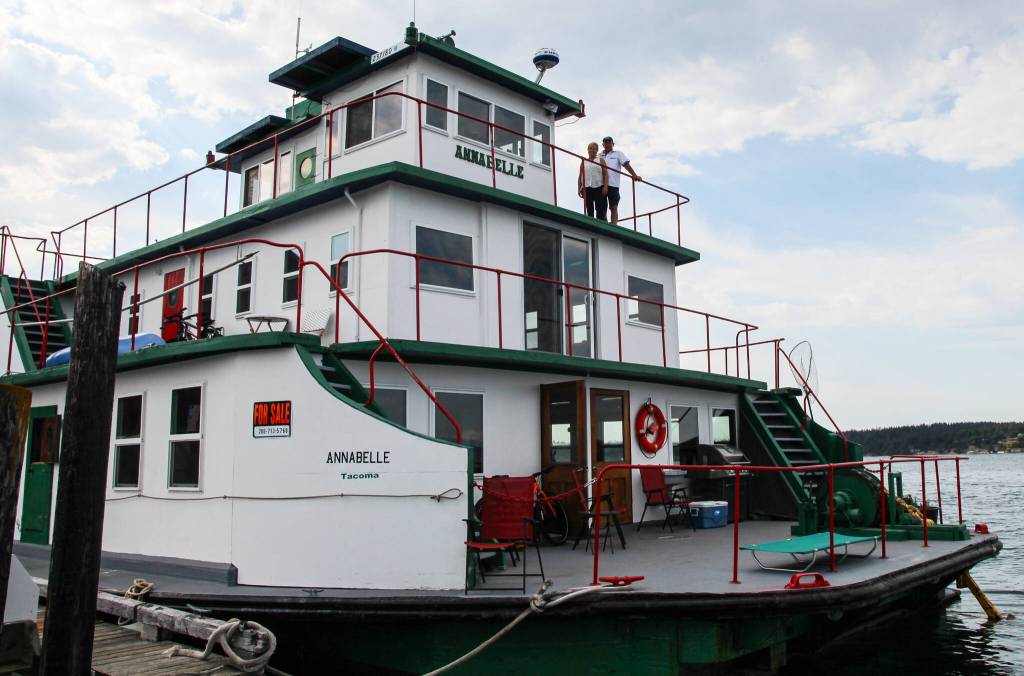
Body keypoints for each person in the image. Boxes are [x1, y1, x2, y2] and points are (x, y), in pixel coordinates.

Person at [599, 136, 641, 224]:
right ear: (603, 144)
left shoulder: (618, 154)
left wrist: (634, 175)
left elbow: (626, 164)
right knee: (602, 207)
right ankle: (604, 224)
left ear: (612, 144)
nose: (607, 144)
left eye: (609, 142)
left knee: (613, 207)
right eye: (605, 143)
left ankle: (613, 225)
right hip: (601, 184)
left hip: (613, 184)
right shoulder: (599, 155)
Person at [577, 142, 608, 220]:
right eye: (590, 148)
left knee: (599, 208)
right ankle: (591, 226)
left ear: (597, 150)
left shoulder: (601, 160)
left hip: (599, 186)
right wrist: (579, 188)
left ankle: (600, 226)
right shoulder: (584, 161)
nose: (592, 150)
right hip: (587, 187)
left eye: (594, 149)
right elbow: (580, 175)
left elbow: (605, 174)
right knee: (589, 208)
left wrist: (605, 187)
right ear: (587, 150)